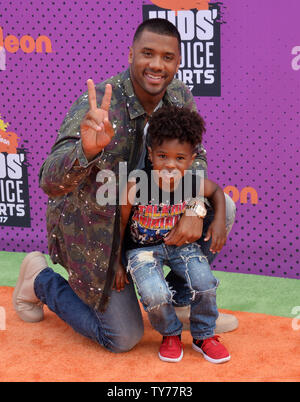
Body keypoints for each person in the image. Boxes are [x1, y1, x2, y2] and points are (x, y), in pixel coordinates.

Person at [13, 18, 236, 353]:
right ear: (131, 54)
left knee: (223, 206)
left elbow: (197, 157)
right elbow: (49, 181)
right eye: (147, 54)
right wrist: (86, 150)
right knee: (123, 338)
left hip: (149, 216)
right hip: (96, 228)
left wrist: (193, 206)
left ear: (177, 61)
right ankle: (40, 281)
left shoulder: (178, 94)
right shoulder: (102, 102)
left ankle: (180, 300)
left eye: (167, 57)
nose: (156, 65)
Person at [116, 105, 230, 363]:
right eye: (163, 156)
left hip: (179, 245)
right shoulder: (136, 185)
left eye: (179, 158)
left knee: (205, 283)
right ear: (150, 154)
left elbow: (216, 192)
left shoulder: (191, 180)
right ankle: (170, 333)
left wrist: (219, 221)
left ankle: (204, 334)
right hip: (142, 250)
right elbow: (119, 226)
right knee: (155, 295)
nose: (170, 165)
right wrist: (117, 263)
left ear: (191, 160)